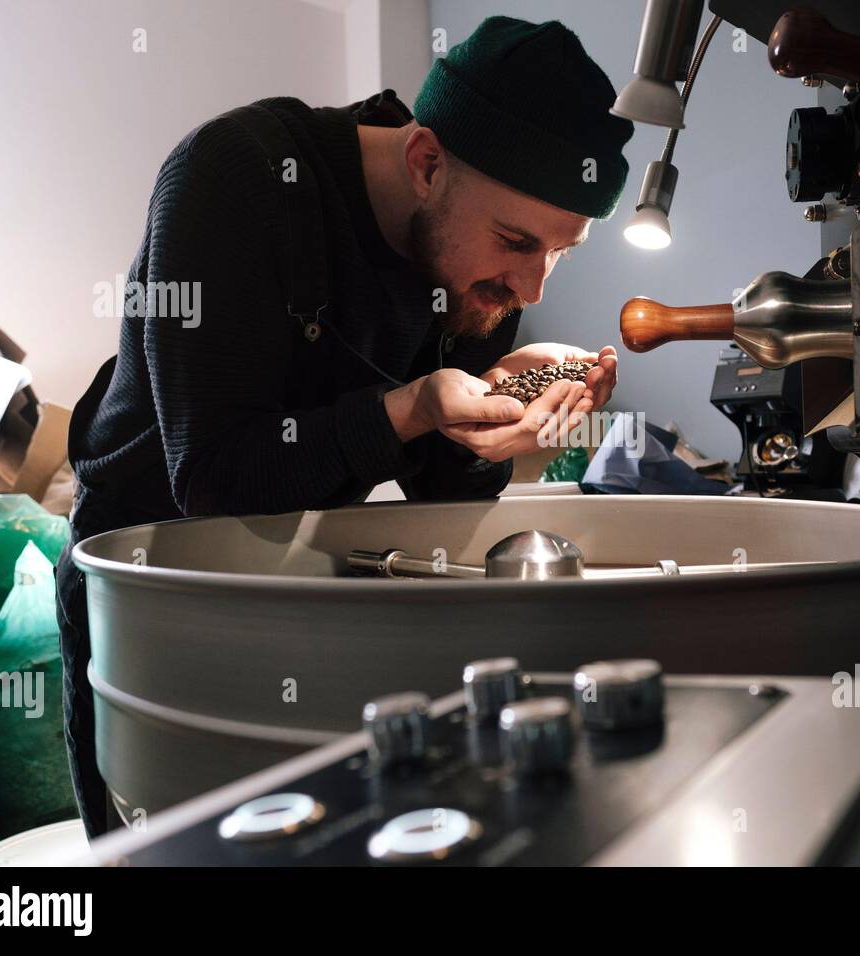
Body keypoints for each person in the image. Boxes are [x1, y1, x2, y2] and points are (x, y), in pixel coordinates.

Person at [55, 16, 634, 837]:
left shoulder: (479, 271)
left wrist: (499, 423)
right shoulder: (237, 177)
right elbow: (213, 477)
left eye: (561, 252)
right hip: (147, 586)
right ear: (426, 162)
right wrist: (412, 407)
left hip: (306, 590)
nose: (532, 288)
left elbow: (438, 480)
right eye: (516, 243)